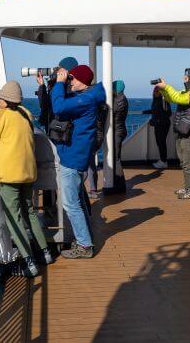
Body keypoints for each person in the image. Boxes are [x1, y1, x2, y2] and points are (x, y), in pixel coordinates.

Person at [0, 81, 52, 276]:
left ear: (6, 101)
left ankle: (29, 262)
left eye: (0, 98)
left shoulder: (2, 116)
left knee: (13, 218)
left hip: (10, 175)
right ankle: (45, 253)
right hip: (28, 172)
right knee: (29, 212)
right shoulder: (25, 115)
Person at [50, 64, 107, 259]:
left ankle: (84, 246)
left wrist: (59, 83)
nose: (70, 81)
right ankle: (85, 238)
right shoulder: (87, 96)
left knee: (70, 204)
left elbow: (58, 107)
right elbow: (64, 106)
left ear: (83, 80)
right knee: (79, 201)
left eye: (72, 78)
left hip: (73, 158)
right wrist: (54, 84)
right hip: (78, 155)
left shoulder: (86, 99)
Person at [156, 68, 190, 199]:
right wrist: (163, 90)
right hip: (182, 130)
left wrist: (167, 86)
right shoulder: (187, 91)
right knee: (183, 161)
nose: (184, 78)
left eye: (186, 77)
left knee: (188, 161)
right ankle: (188, 187)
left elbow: (180, 98)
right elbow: (173, 98)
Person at [35, 56, 79, 129]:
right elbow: (45, 105)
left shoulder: (70, 87)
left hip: (61, 130)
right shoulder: (56, 84)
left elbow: (59, 108)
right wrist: (42, 85)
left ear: (66, 71)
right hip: (53, 127)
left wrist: (60, 83)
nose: (56, 71)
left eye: (59, 68)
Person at [143, 86, 172, 169]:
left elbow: (168, 113)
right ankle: (162, 160)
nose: (154, 92)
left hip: (163, 124)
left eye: (157, 90)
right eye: (154, 90)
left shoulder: (163, 100)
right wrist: (145, 112)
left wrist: (157, 120)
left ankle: (163, 161)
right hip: (159, 124)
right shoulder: (156, 100)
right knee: (159, 142)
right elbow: (155, 110)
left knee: (161, 142)